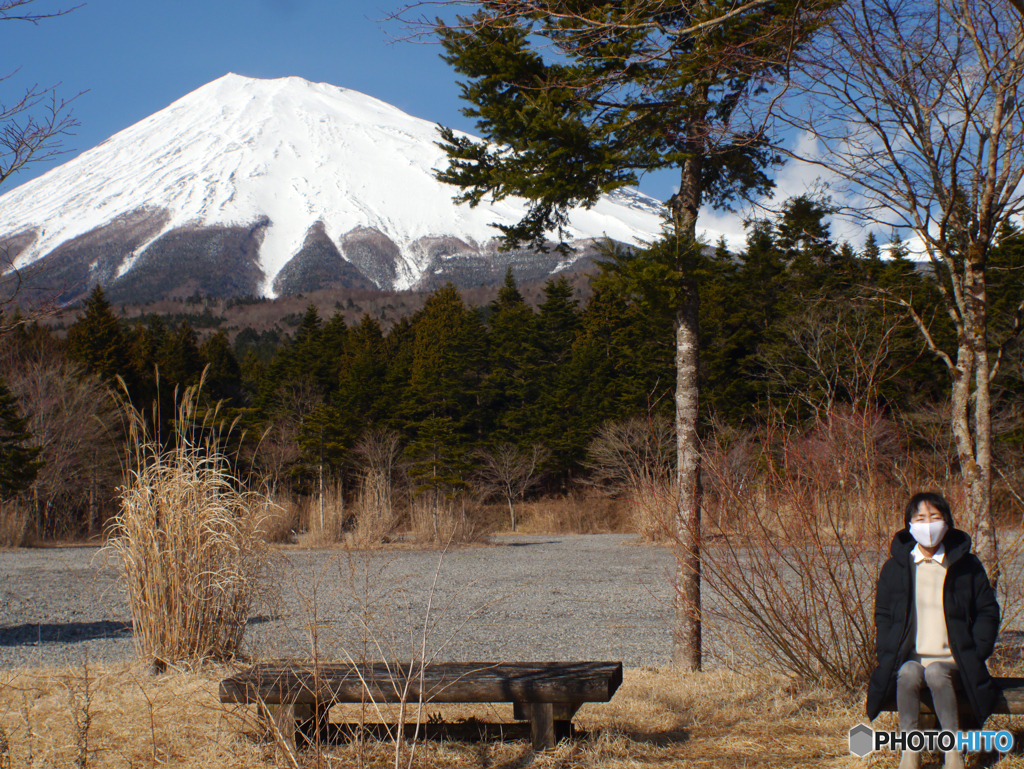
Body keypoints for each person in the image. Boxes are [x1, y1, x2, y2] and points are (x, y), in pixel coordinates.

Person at [866, 492, 1000, 769]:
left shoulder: (966, 565)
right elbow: (882, 614)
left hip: (955, 660)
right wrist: (886, 646)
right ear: (909, 524)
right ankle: (909, 751)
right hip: (911, 657)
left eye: (935, 517)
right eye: (920, 518)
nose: (928, 525)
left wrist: (978, 650)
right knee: (908, 673)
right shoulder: (895, 568)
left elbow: (987, 610)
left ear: (947, 523)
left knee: (937, 672)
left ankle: (953, 752)